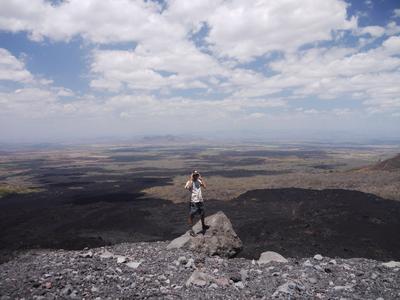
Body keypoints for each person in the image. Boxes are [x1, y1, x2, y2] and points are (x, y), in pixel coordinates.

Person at [185, 170, 209, 236]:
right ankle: (191, 230)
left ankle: (203, 225)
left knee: (202, 213)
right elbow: (188, 187)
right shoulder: (189, 182)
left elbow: (205, 186)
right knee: (192, 215)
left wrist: (202, 179)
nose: (196, 176)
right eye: (195, 175)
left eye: (197, 175)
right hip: (194, 201)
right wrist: (191, 179)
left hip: (200, 200)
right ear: (192, 175)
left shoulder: (199, 181)